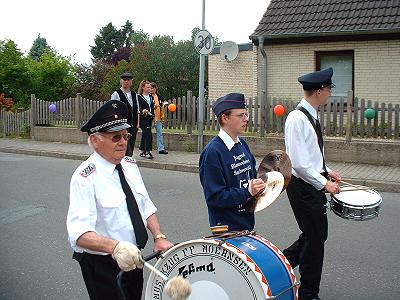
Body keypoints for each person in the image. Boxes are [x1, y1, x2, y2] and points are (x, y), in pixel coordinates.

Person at [67, 100, 173, 300]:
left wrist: (158, 236)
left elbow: (145, 204)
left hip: (135, 258)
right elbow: (78, 234)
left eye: (126, 135)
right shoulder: (85, 177)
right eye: (116, 137)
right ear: (95, 140)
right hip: (103, 264)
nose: (123, 142)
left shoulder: (129, 165)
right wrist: (115, 247)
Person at [282, 67, 341, 300]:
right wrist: (324, 184)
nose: (329, 94)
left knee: (313, 235)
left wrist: (327, 172)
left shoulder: (311, 115)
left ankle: (279, 265)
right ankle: (308, 293)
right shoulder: (297, 118)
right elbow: (298, 164)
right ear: (318, 91)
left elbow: (311, 156)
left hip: (311, 183)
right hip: (303, 187)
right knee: (315, 239)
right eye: (328, 90)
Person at [199, 93, 266, 232]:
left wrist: (266, 184)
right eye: (241, 115)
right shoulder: (212, 152)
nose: (246, 119)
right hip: (226, 229)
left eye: (246, 115)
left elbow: (252, 177)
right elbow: (215, 197)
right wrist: (247, 192)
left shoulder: (242, 144)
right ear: (225, 118)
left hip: (246, 223)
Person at [111, 72, 139, 157]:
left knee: (131, 149)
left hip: (133, 126)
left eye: (128, 80)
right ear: (121, 81)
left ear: (131, 82)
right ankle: (122, 166)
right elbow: (113, 110)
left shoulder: (135, 94)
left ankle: (126, 167)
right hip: (122, 127)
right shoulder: (116, 94)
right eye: (124, 80)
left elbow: (137, 110)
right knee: (126, 150)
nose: (126, 82)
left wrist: (137, 124)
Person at [137, 80, 155, 159]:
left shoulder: (151, 97)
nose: (149, 89)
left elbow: (152, 107)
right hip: (142, 118)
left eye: (150, 88)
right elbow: (137, 107)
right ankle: (148, 151)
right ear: (143, 87)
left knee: (145, 133)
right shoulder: (139, 97)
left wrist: (153, 115)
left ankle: (142, 150)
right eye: (147, 87)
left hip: (149, 117)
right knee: (148, 132)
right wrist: (142, 111)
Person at [150, 82, 168, 154]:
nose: (151, 89)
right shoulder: (148, 96)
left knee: (160, 133)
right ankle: (146, 149)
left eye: (152, 88)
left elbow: (162, 105)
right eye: (150, 88)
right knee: (148, 134)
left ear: (155, 88)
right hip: (151, 118)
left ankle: (161, 149)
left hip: (158, 118)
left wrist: (164, 104)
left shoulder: (159, 96)